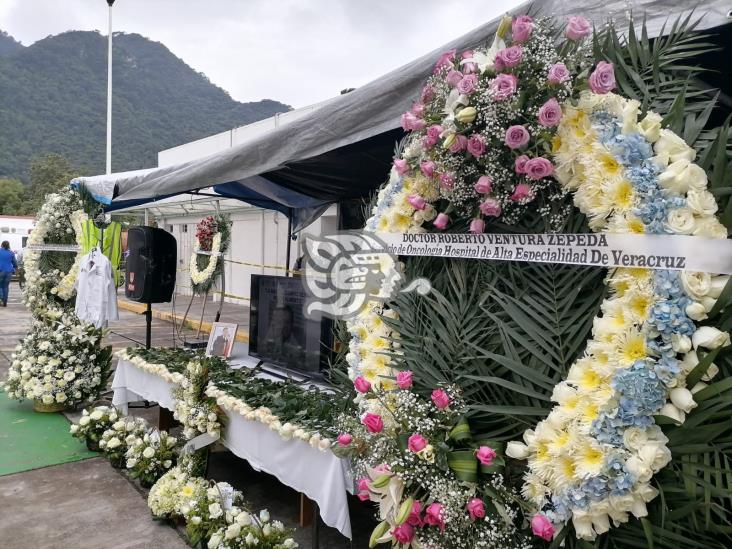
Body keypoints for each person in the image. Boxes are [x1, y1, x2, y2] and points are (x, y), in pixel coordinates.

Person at [0, 241, 17, 307]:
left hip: (1, 271)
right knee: (5, 286)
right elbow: (15, 263)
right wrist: (16, 269)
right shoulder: (11, 253)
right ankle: (5, 301)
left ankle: (1, 298)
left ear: (2, 245)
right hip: (9, 272)